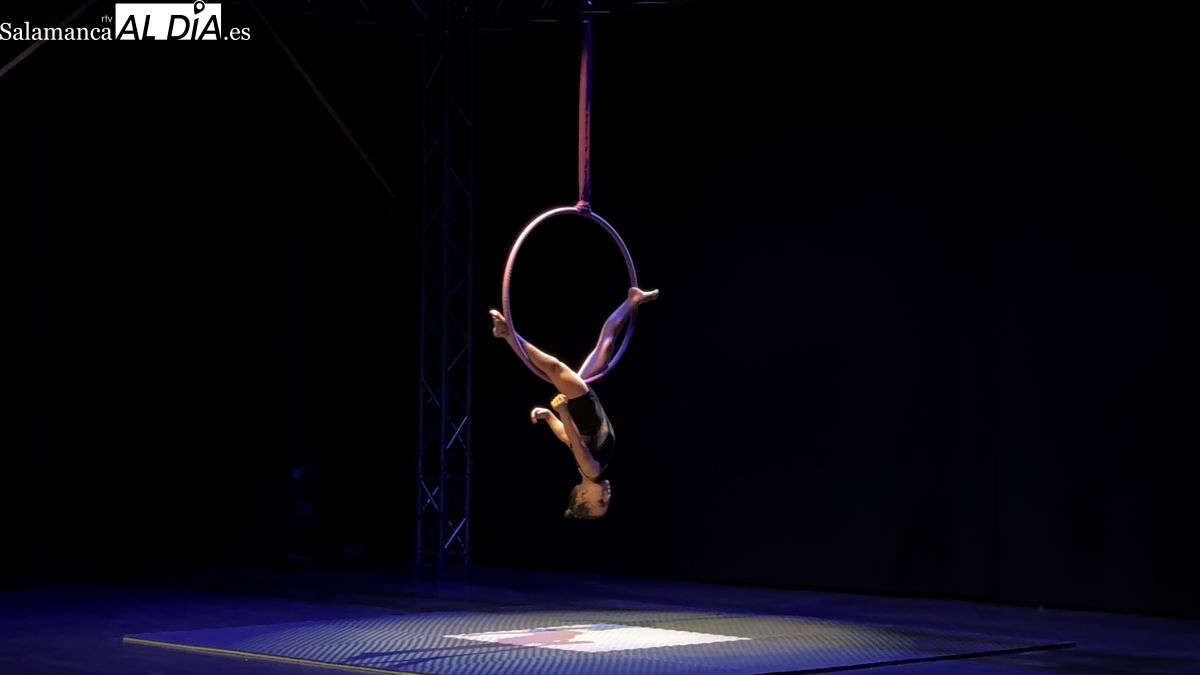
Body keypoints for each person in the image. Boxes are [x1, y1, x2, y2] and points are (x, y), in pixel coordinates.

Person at [489, 286, 659, 519]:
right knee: (605, 348)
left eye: (601, 501)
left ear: (581, 496)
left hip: (580, 404)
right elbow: (567, 437)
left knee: (553, 367)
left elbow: (576, 443)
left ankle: (508, 333)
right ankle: (631, 300)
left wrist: (563, 411)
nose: (608, 496)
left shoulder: (590, 469)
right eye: (607, 502)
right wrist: (550, 417)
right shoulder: (594, 468)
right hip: (585, 400)